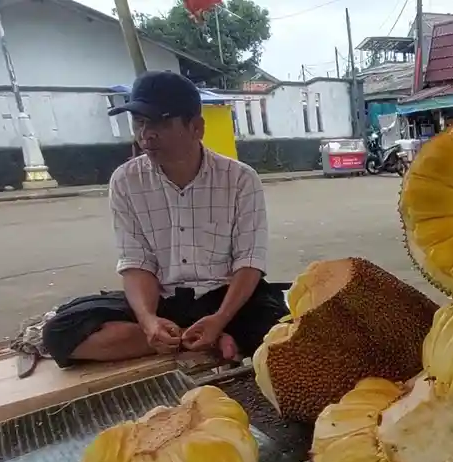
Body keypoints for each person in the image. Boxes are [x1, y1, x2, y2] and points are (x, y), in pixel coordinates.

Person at [42, 71, 286, 367]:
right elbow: (136, 262)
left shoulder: (241, 180)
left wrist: (221, 318)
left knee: (282, 337)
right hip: (164, 302)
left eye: (159, 122)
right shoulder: (125, 181)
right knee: (59, 332)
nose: (146, 134)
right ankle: (186, 339)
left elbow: (249, 263)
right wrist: (148, 321)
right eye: (139, 122)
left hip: (228, 299)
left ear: (196, 127)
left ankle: (209, 332)